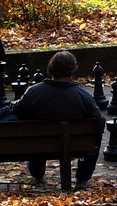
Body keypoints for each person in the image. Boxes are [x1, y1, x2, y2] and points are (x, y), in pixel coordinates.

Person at [11, 51, 106, 187]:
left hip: (40, 145)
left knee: (36, 136)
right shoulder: (83, 97)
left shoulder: (34, 92)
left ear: (51, 68)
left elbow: (19, 110)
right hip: (74, 146)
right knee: (94, 134)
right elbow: (99, 122)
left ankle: (37, 172)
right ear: (73, 70)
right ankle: (83, 178)